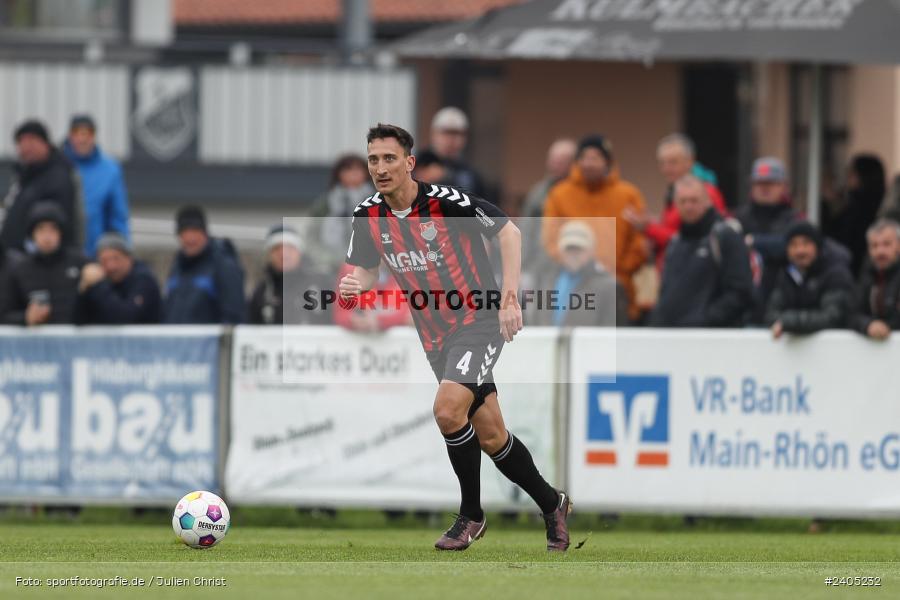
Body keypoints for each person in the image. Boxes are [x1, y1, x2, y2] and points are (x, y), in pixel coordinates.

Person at [341, 123, 570, 551]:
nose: (380, 167)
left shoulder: (448, 202)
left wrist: (509, 300)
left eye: (389, 158)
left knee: (448, 411)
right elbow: (367, 270)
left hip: (477, 320)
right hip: (433, 335)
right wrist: (358, 284)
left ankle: (471, 515)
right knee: (491, 435)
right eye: (373, 159)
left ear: (409, 163)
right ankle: (552, 502)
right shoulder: (367, 215)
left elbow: (509, 231)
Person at [541, 134, 647, 321]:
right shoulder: (560, 194)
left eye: (595, 158)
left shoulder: (628, 195)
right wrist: (572, 263)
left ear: (607, 162)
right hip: (574, 285)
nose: (589, 164)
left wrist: (620, 271)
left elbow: (639, 242)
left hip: (617, 286)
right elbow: (550, 239)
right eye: (585, 158)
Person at [649, 175, 753, 328]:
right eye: (683, 201)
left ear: (708, 202)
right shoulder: (676, 242)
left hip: (710, 340)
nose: (688, 206)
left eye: (694, 200)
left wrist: (705, 320)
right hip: (672, 338)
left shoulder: (725, 236)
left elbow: (741, 292)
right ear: (676, 205)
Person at [623, 134, 728, 271]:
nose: (667, 169)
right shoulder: (674, 191)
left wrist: (649, 228)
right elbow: (674, 230)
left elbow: (692, 240)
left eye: (673, 162)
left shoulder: (706, 194)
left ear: (689, 162)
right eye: (662, 163)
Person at [734, 157, 802, 323]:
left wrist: (754, 242)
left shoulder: (795, 219)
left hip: (784, 304)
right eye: (759, 183)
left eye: (771, 183)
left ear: (783, 186)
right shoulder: (738, 217)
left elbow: (793, 248)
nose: (764, 189)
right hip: (742, 307)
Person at [1, 120, 81, 252]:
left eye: (32, 141)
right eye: (21, 142)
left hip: (39, 261)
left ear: (46, 144)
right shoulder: (25, 176)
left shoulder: (58, 178)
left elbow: (58, 224)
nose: (26, 147)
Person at [529, 220, 626, 327]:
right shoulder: (545, 280)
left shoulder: (608, 286)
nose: (574, 254)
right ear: (560, 251)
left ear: (592, 250)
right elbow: (535, 319)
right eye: (569, 248)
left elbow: (612, 329)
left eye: (579, 249)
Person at [2, 203, 86, 326]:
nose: (47, 236)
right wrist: (25, 318)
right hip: (35, 343)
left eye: (53, 229)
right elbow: (4, 314)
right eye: (41, 229)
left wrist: (94, 283)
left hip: (76, 342)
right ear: (32, 234)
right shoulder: (19, 269)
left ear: (61, 233)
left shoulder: (81, 263)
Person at [765, 221, 854, 338]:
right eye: (793, 245)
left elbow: (831, 317)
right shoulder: (786, 274)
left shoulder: (836, 274)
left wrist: (788, 322)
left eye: (806, 244)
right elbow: (770, 315)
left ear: (817, 247)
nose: (800, 251)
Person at [162, 206, 245, 325]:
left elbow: (233, 315)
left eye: (195, 231)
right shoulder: (177, 266)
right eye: (185, 232)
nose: (190, 238)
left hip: (209, 343)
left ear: (205, 233)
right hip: (178, 342)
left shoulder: (224, 266)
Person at [62, 114, 130, 258]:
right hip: (62, 256)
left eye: (87, 134)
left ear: (94, 136)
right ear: (70, 136)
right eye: (77, 133)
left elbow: (118, 216)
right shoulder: (58, 166)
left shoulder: (110, 170)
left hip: (97, 255)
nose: (82, 139)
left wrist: (122, 250)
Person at [247, 224, 333, 325]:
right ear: (269, 255)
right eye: (276, 249)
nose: (283, 254)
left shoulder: (322, 283)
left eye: (289, 248)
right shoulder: (262, 291)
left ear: (299, 252)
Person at [520, 138, 577, 284]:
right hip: (541, 262)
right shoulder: (539, 192)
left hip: (572, 262)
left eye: (561, 161)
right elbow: (526, 229)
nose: (555, 165)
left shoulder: (580, 192)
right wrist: (522, 265)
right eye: (553, 160)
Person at [75, 232, 160, 324]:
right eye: (104, 260)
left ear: (129, 258)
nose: (111, 266)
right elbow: (78, 320)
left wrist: (99, 285)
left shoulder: (143, 279)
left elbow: (125, 317)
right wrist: (84, 289)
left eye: (116, 258)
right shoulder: (99, 281)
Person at [823, 154, 886, 277]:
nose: (848, 179)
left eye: (852, 174)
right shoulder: (853, 204)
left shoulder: (860, 209)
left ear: (863, 177)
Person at [309, 154, 374, 270]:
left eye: (358, 169)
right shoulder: (326, 202)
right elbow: (313, 234)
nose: (354, 173)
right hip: (332, 263)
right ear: (338, 174)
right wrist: (324, 257)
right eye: (348, 169)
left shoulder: (378, 200)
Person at [424, 107, 488, 200]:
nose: (451, 139)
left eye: (457, 133)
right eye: (446, 133)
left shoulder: (472, 175)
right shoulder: (417, 165)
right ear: (434, 134)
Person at [852, 219, 900, 339]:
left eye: (886, 244)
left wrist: (887, 325)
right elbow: (852, 314)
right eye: (874, 245)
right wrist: (869, 325)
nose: (880, 251)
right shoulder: (867, 275)